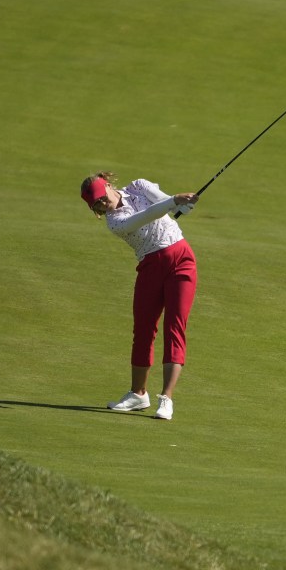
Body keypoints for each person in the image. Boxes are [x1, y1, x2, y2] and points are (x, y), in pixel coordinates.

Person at [80, 171, 200, 420]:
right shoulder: (115, 222)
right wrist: (174, 201)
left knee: (175, 327)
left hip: (182, 261)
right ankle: (138, 394)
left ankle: (166, 398)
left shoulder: (139, 186)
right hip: (150, 267)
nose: (103, 205)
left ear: (109, 186)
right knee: (144, 330)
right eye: (97, 205)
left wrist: (183, 204)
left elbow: (164, 200)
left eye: (102, 198)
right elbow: (148, 215)